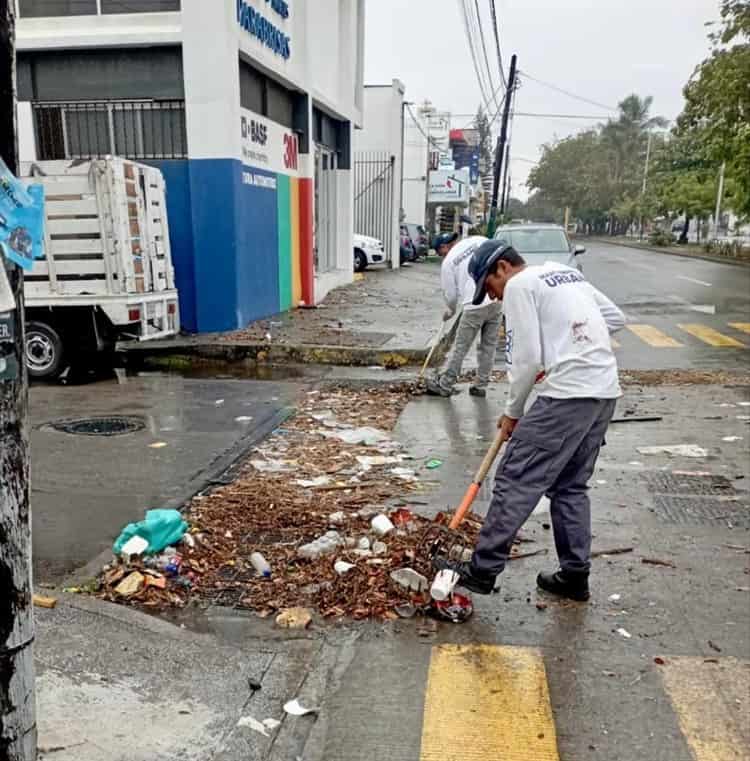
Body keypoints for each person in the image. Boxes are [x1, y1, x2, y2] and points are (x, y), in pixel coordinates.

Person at [443, 238, 625, 601]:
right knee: (571, 485)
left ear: (501, 268)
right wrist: (571, 343)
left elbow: (524, 359)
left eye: (489, 288)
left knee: (515, 478)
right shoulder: (565, 274)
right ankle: (575, 576)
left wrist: (513, 412)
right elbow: (616, 319)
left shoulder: (519, 285)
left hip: (566, 396)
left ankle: (482, 570)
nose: (493, 298)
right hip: (604, 393)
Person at [425, 232, 503, 398]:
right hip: (496, 298)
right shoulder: (478, 240)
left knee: (460, 347)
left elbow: (451, 295)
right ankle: (481, 385)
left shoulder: (448, 262)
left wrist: (450, 311)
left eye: (440, 253)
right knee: (488, 346)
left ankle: (445, 384)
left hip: (474, 304)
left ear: (443, 247)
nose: (441, 256)